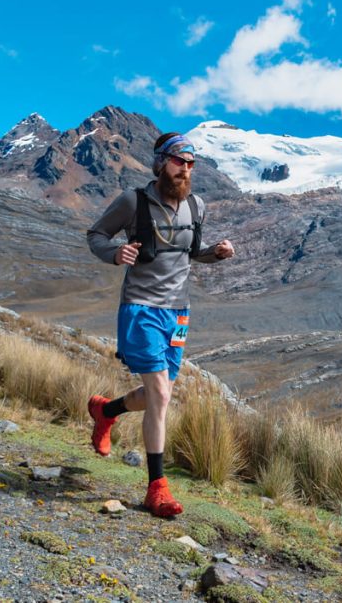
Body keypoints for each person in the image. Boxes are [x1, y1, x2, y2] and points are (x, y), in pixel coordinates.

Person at [85, 132, 234, 517]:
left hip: (178, 314)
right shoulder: (132, 201)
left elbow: (190, 253)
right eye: (178, 161)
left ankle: (106, 411)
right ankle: (157, 489)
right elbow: (96, 235)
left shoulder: (196, 206)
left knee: (159, 393)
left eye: (191, 164)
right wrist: (115, 252)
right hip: (141, 308)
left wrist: (215, 254)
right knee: (161, 397)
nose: (185, 169)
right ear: (161, 163)